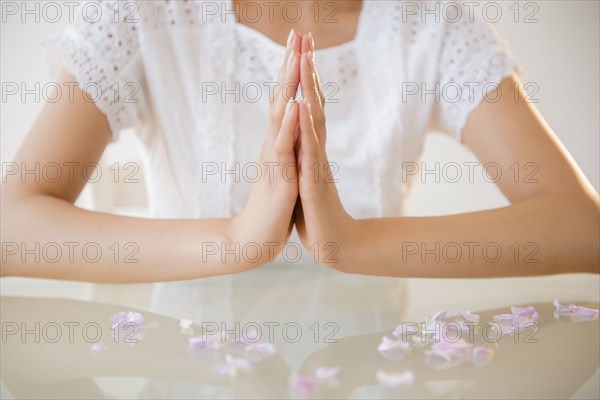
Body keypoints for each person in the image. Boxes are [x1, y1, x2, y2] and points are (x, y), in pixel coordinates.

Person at [2, 0, 598, 284]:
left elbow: (582, 228)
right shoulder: (140, 14)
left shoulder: (430, 24)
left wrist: (350, 242)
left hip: (377, 368)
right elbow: (11, 229)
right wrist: (236, 241)